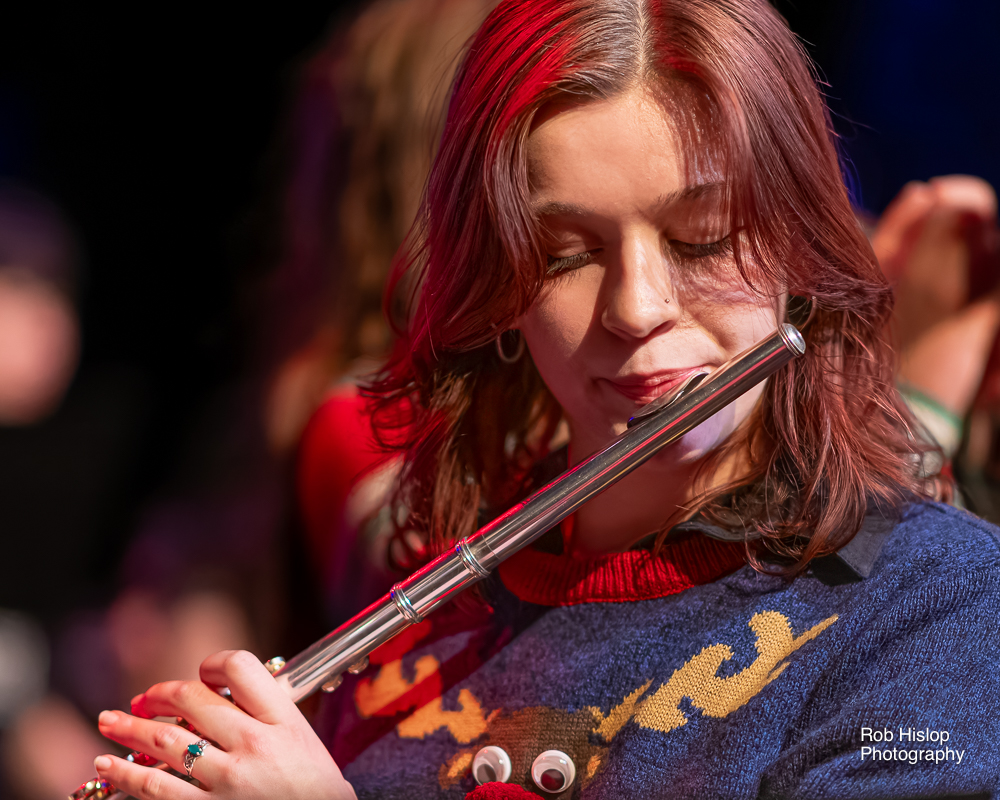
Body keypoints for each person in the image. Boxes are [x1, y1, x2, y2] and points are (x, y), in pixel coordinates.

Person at [91, 1, 1000, 798]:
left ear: (797, 245)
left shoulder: (940, 600)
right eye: (566, 254)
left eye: (703, 237)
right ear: (499, 291)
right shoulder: (434, 615)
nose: (637, 307)